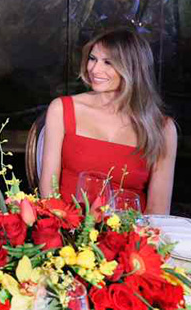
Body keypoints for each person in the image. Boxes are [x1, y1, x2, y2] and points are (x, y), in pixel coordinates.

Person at [40, 27, 177, 214]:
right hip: (67, 225)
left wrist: (132, 233)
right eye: (92, 59)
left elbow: (158, 208)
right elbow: (48, 190)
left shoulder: (163, 128)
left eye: (108, 62)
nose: (94, 69)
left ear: (132, 69)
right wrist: (69, 227)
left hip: (132, 229)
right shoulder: (61, 109)